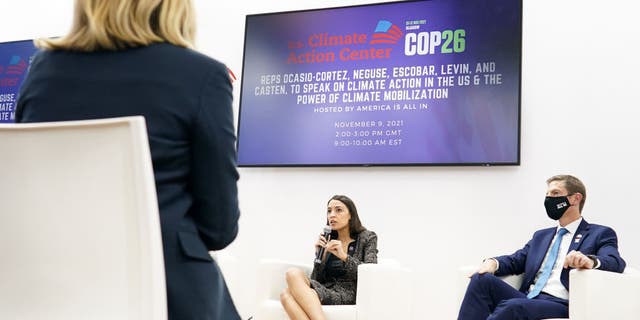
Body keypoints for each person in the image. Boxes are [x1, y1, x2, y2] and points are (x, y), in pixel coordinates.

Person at [15, 1, 240, 319]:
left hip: (54, 289)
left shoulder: (42, 72)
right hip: (169, 295)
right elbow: (219, 228)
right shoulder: (203, 75)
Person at [458, 175, 626, 320]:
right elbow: (517, 259)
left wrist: (589, 261)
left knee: (513, 307)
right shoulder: (541, 236)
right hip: (529, 298)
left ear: (575, 198)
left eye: (555, 193)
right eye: (547, 194)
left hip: (560, 303)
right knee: (481, 278)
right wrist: (493, 262)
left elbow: (615, 261)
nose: (549, 199)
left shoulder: (600, 233)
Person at [280, 195, 378, 320]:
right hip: (326, 289)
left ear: (351, 215)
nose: (332, 215)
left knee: (286, 294)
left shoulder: (367, 237)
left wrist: (344, 256)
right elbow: (317, 279)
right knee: (291, 276)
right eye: (329, 211)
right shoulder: (328, 239)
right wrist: (320, 256)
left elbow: (370, 274)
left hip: (348, 292)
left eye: (338, 210)